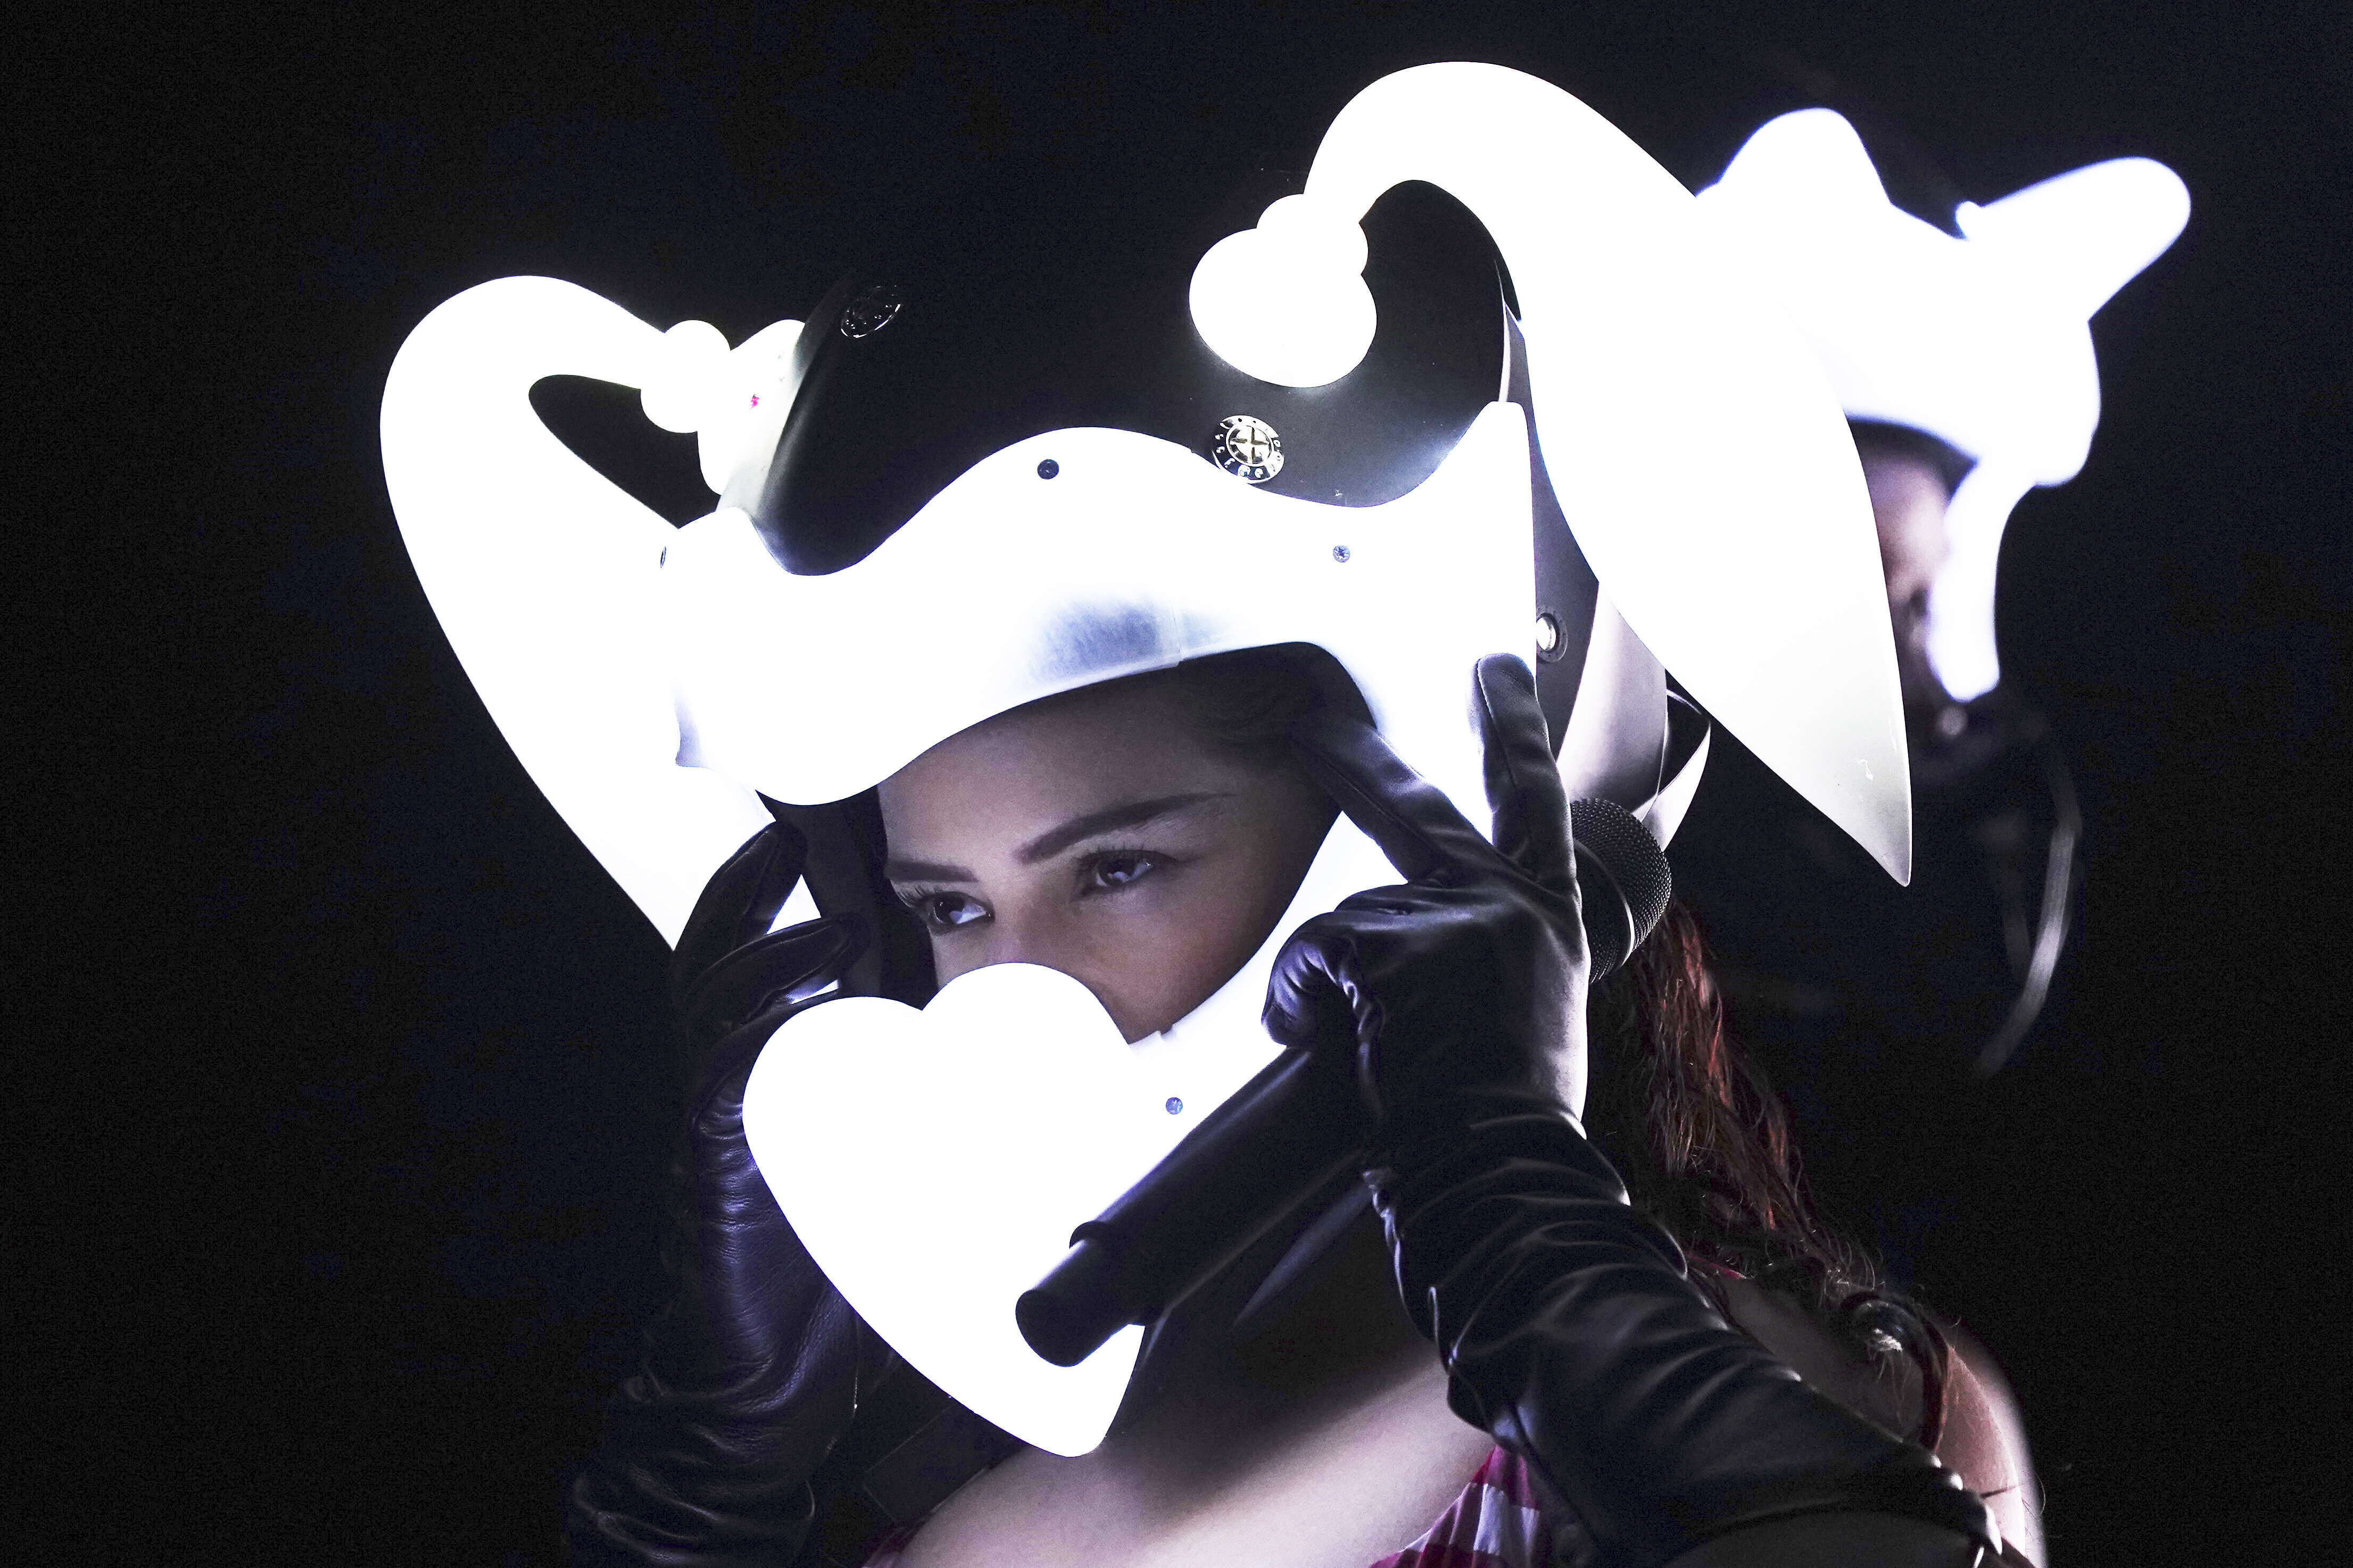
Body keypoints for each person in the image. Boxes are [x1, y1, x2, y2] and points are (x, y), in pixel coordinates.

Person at [379, 63, 2041, 1568]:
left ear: (1435, 832)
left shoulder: (1885, 1407)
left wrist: (1556, 1290)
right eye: (951, 905)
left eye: (1118, 866)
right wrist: (700, 1484)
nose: (1017, 999)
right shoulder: (990, 1510)